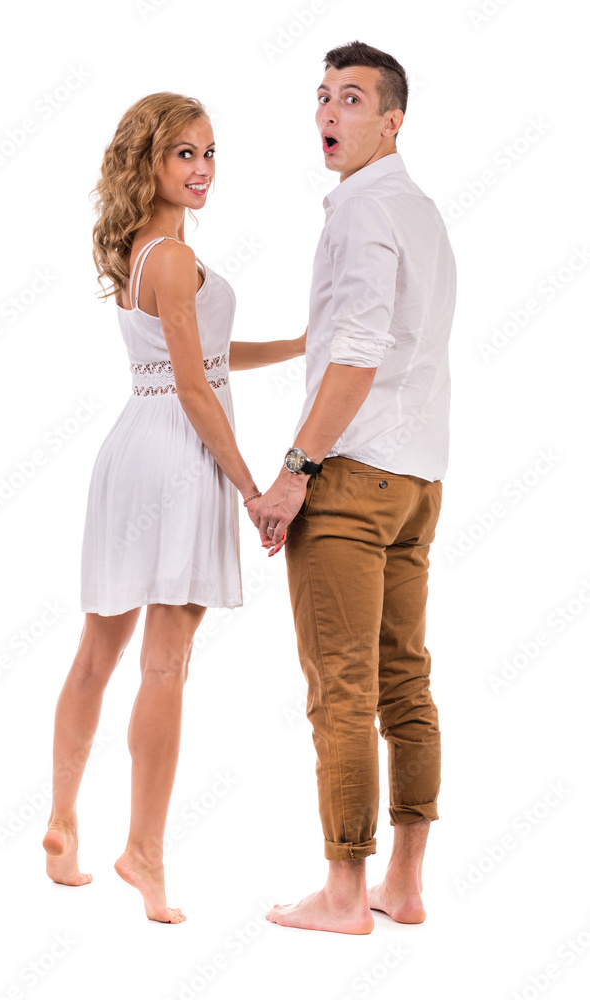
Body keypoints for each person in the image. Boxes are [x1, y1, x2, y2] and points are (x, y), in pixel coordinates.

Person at [41, 91, 305, 924]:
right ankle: (143, 851)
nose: (202, 169)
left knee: (97, 651)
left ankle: (60, 823)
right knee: (164, 664)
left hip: (133, 449)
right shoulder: (169, 257)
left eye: (210, 152)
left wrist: (303, 344)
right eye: (184, 153)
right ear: (147, 161)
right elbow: (196, 386)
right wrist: (253, 487)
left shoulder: (142, 247)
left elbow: (209, 358)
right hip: (180, 456)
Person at [248, 41, 457, 934]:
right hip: (418, 478)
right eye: (324, 96)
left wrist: (293, 473)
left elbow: (361, 356)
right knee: (403, 682)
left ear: (392, 120)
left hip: (351, 478)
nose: (331, 113)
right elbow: (362, 336)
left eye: (354, 98)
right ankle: (402, 886)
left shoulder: (360, 213)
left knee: (341, 688)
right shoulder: (420, 212)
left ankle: (342, 893)